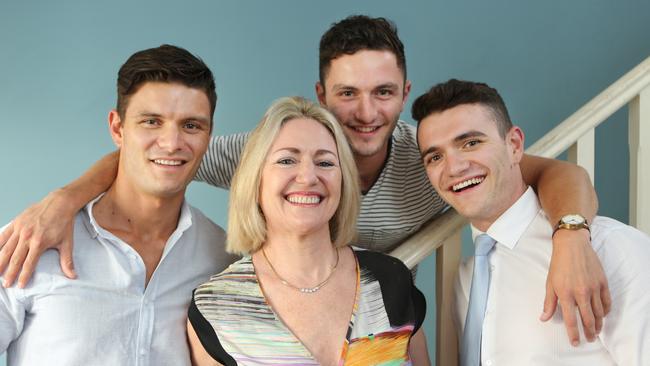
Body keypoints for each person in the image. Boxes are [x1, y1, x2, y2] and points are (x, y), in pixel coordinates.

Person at [0, 15, 608, 345]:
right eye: (347, 93)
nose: (366, 113)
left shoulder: (436, 166)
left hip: (376, 317)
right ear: (322, 94)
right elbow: (159, 155)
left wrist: (572, 235)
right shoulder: (271, 154)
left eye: (384, 93)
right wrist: (66, 199)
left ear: (405, 94)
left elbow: (554, 172)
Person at [0, 45, 237, 365]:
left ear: (209, 136)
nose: (172, 143)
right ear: (117, 128)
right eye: (152, 122)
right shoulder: (31, 244)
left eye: (191, 125)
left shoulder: (222, 261)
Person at [413, 79, 650, 365]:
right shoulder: (466, 278)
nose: (455, 168)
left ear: (514, 145)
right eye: (435, 157)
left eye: (471, 143)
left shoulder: (608, 248)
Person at [187, 96, 430, 365]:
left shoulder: (390, 280)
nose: (308, 177)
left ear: (343, 182)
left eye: (325, 162)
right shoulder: (216, 306)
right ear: (255, 180)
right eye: (287, 160)